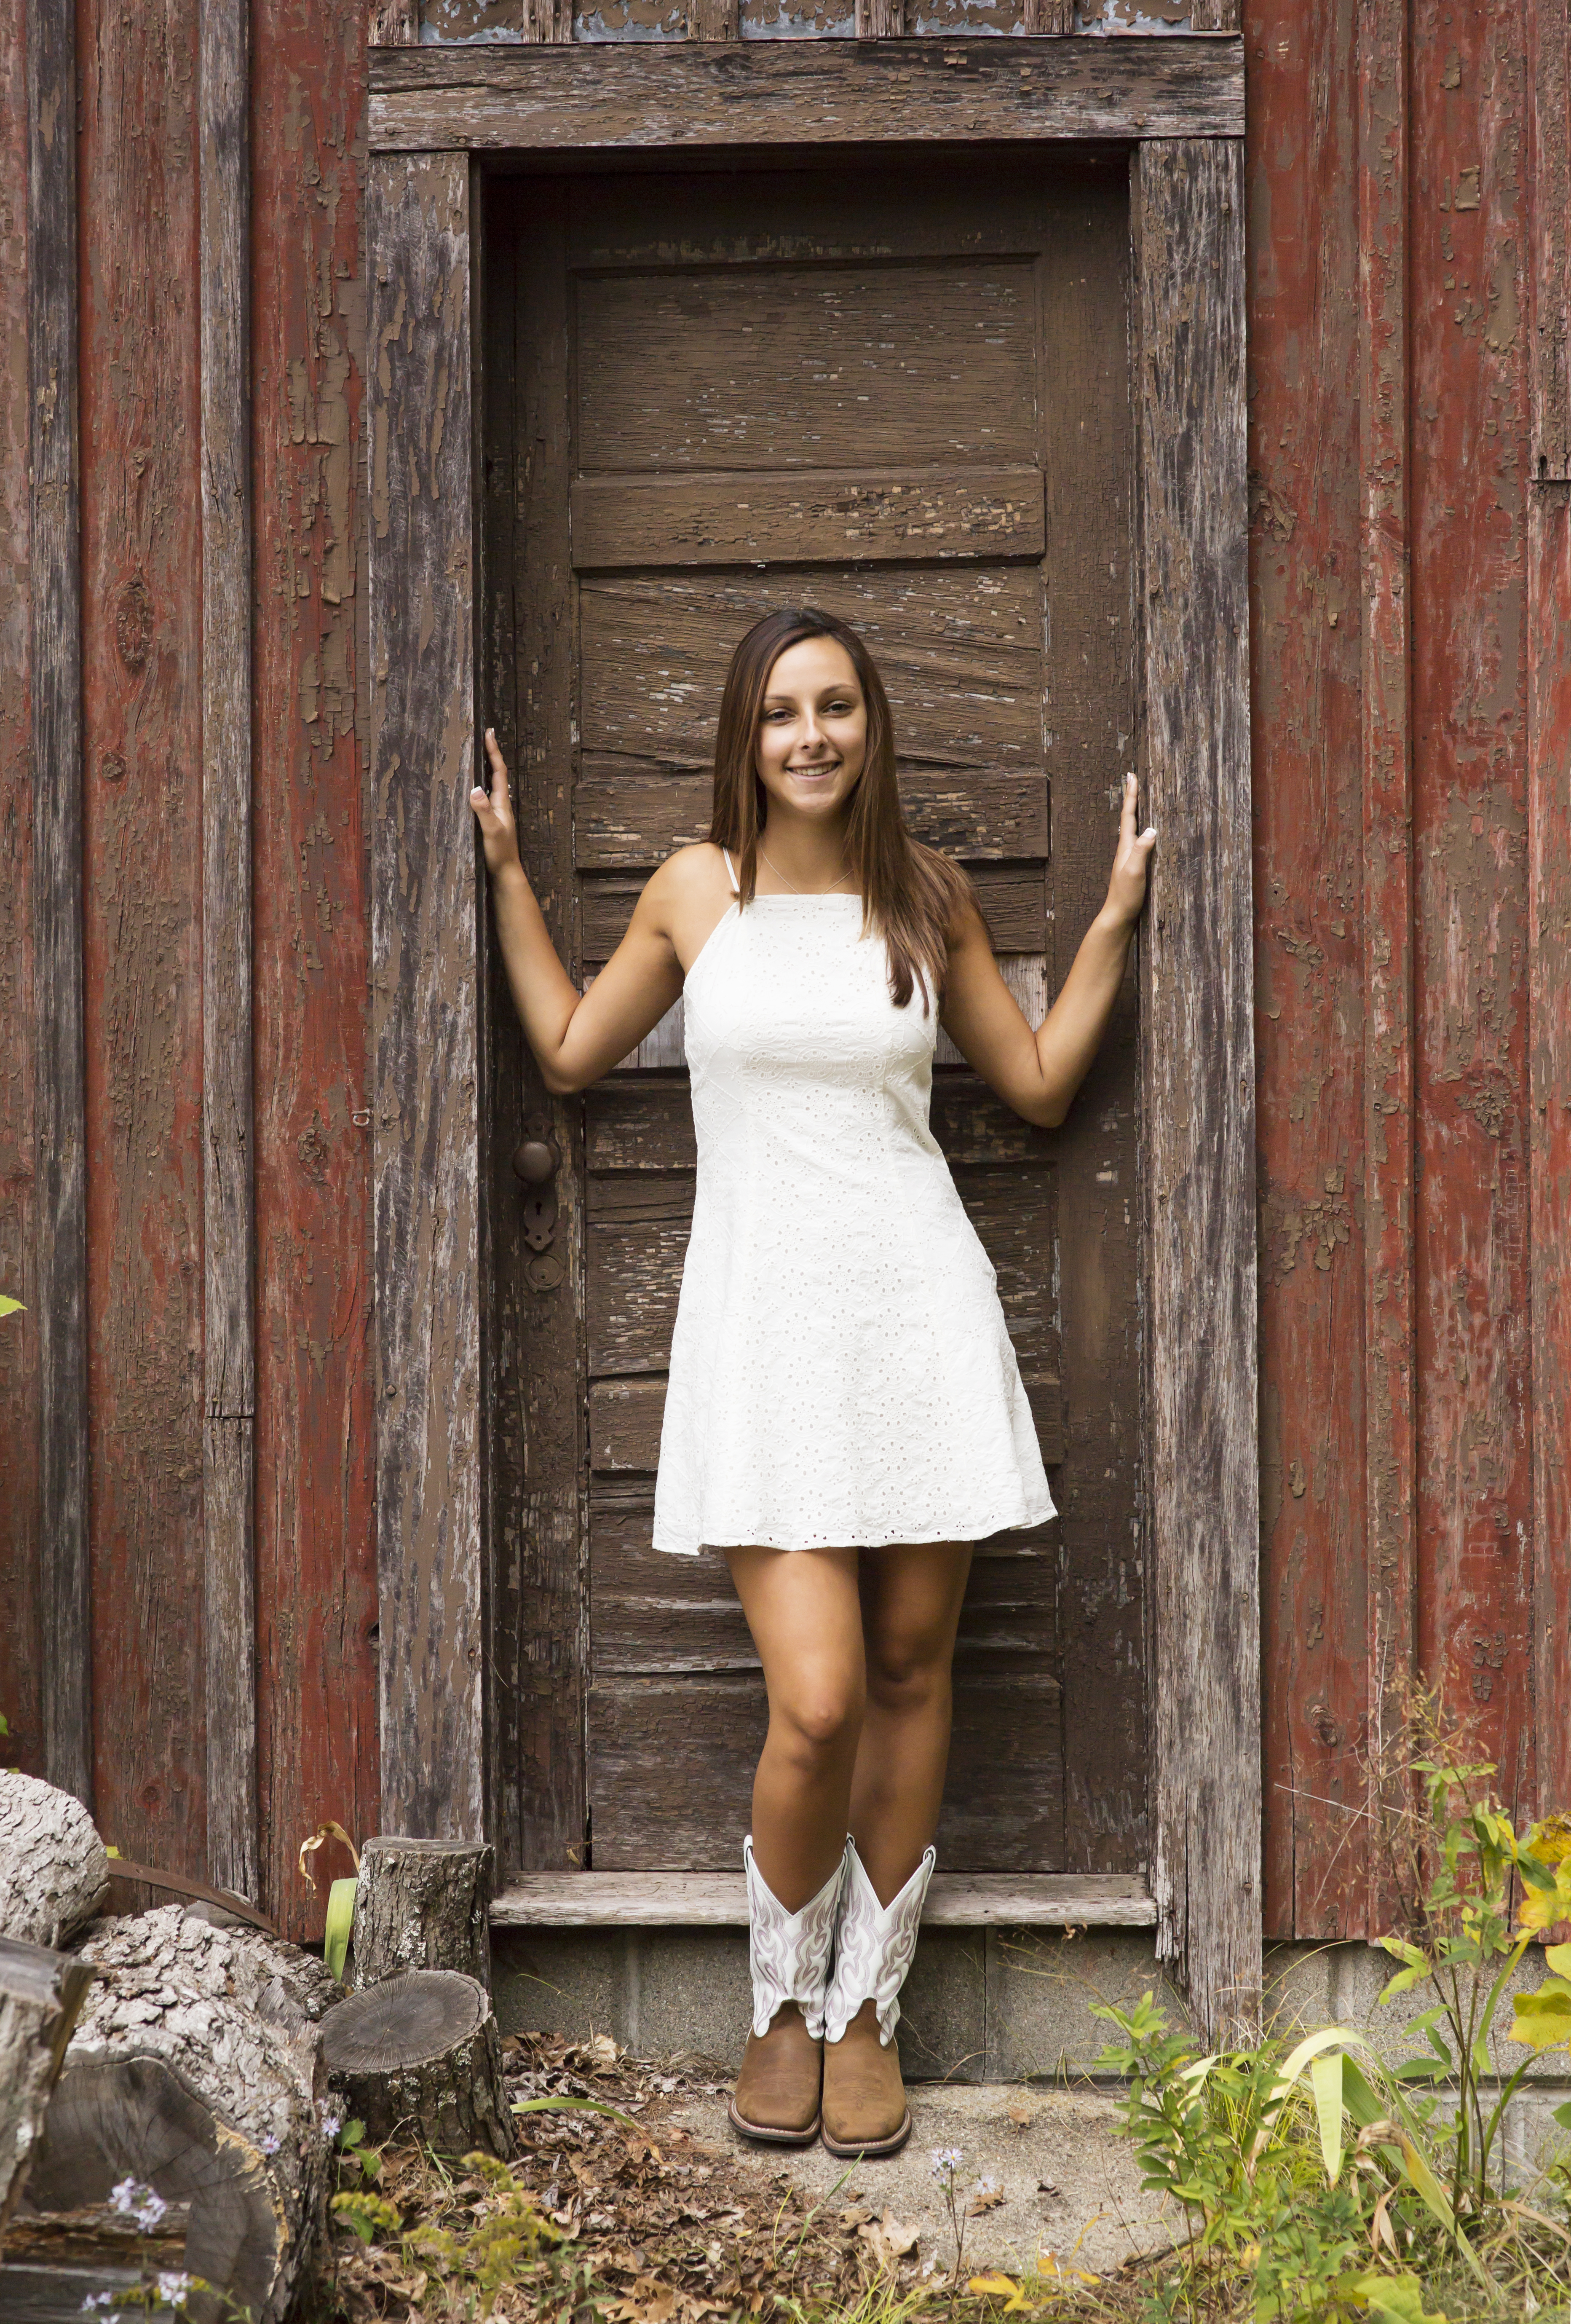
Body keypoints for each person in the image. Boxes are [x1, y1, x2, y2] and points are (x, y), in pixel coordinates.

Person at [471, 606, 1154, 2159]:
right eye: (782, 711)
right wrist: (510, 876)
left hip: (916, 1316)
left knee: (914, 1677)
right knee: (821, 1696)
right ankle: (777, 1996)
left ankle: (866, 2015)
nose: (810, 736)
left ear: (870, 726)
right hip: (766, 1334)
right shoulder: (692, 892)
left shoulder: (925, 897)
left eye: (836, 706)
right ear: (745, 732)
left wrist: (1111, 916)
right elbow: (573, 1049)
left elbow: (1038, 1086)